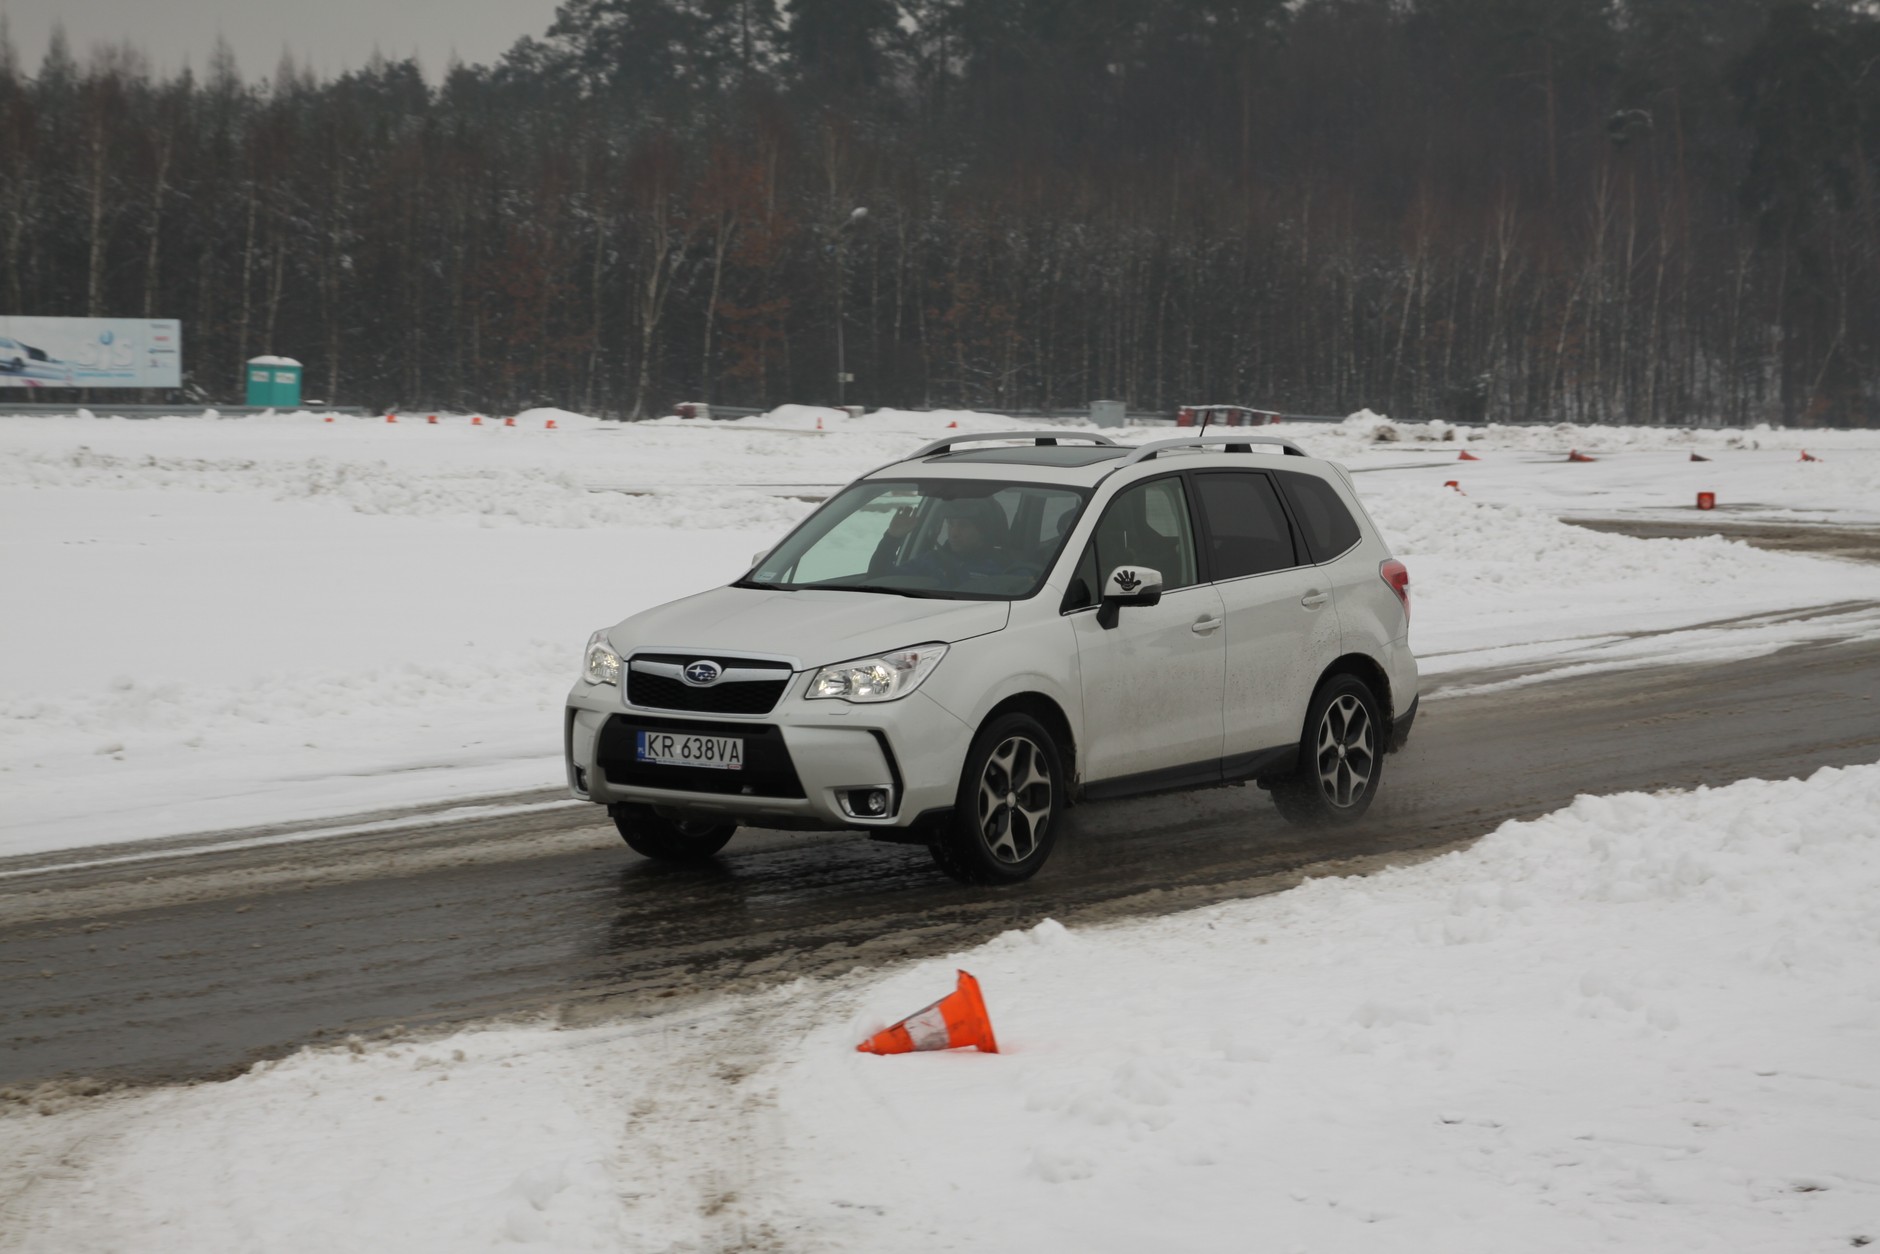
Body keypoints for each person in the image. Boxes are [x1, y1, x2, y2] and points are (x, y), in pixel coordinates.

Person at [870, 496, 1014, 583]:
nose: (954, 532)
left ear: (983, 532)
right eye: (951, 524)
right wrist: (892, 538)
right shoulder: (930, 561)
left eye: (964, 526)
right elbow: (878, 579)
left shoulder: (1005, 569)